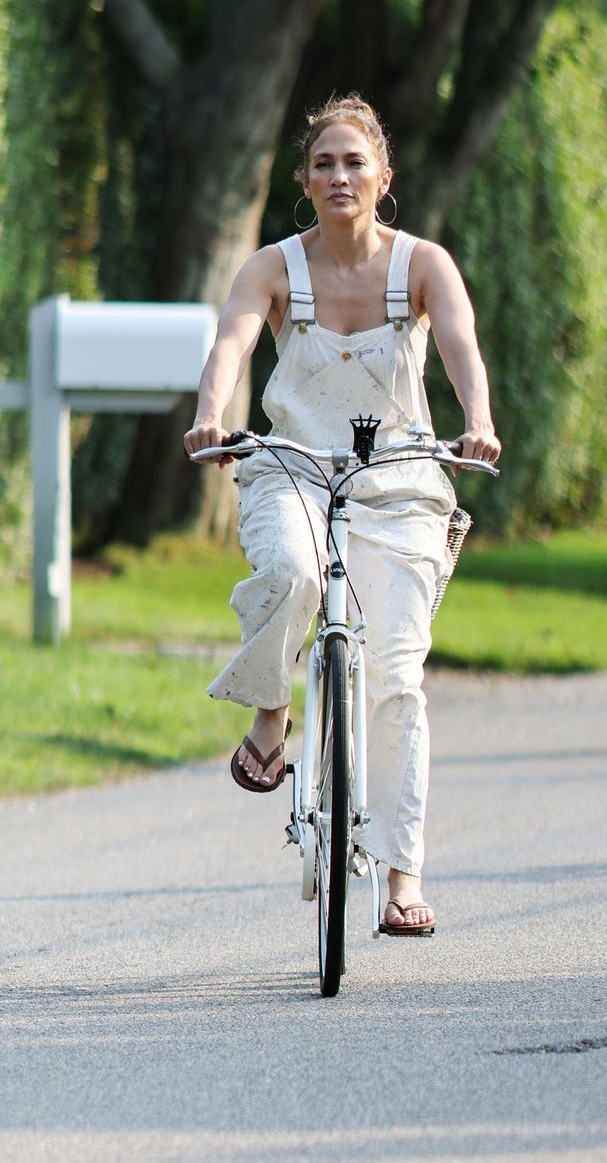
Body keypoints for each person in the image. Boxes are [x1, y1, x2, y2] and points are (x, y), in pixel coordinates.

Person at [184, 93, 500, 936]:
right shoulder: (273, 266)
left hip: (400, 483)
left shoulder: (423, 264)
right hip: (294, 468)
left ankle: (402, 878)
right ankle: (273, 711)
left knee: (397, 678)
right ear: (304, 179)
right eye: (323, 162)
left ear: (383, 177)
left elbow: (463, 346)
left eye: (354, 161)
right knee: (288, 573)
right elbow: (232, 344)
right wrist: (214, 413)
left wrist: (478, 423)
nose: (338, 175)